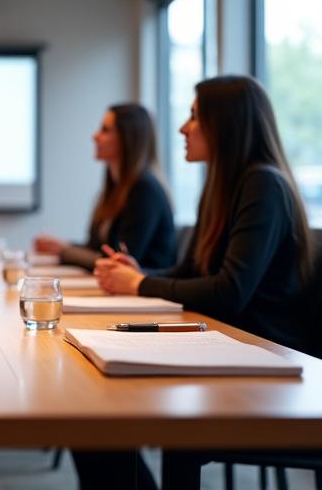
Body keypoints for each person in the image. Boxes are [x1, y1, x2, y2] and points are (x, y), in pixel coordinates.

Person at [93, 75, 314, 489]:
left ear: (226, 125)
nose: (182, 128)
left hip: (263, 362)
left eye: (194, 116)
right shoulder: (223, 186)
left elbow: (229, 293)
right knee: (95, 409)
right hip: (225, 346)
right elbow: (191, 272)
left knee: (99, 421)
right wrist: (138, 273)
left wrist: (139, 284)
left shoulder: (262, 184)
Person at [34, 103, 176, 271]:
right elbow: (97, 248)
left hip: (144, 293)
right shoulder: (114, 189)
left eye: (105, 130)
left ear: (127, 138)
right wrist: (62, 246)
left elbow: (118, 260)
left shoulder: (145, 190)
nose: (95, 136)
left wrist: (65, 251)